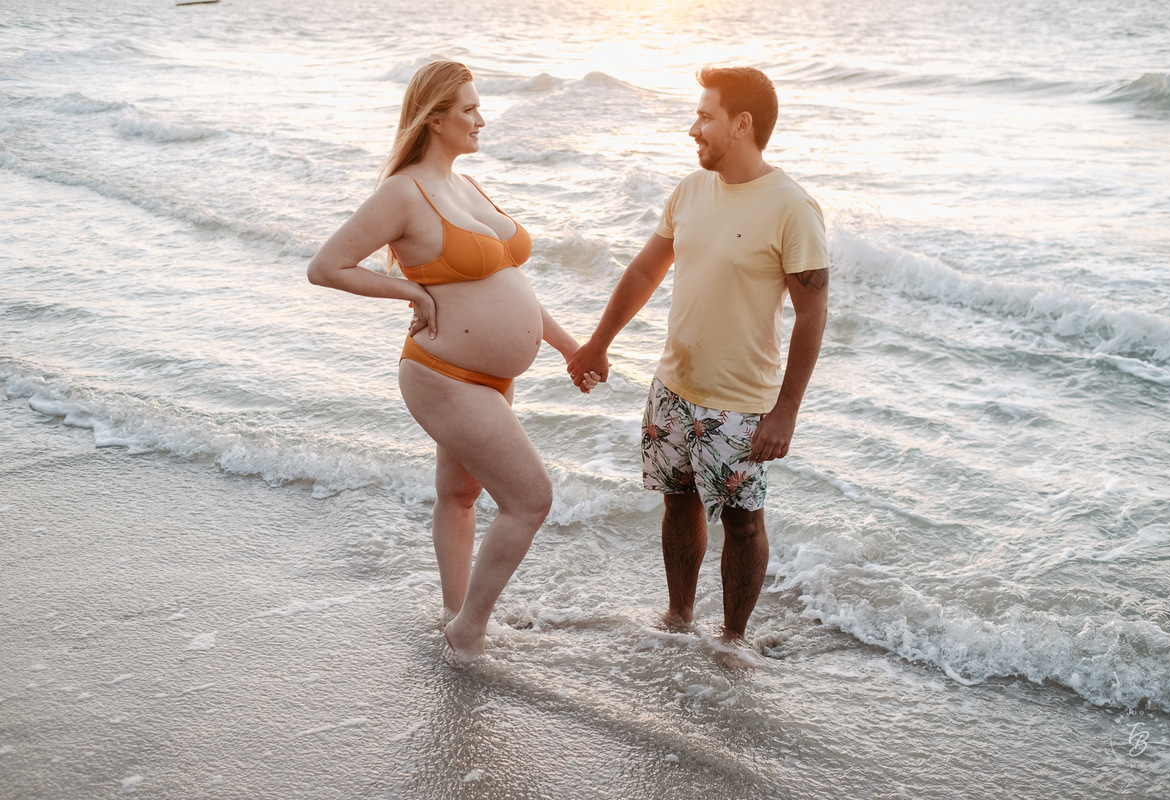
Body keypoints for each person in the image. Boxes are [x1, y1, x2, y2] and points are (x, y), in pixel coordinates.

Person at [307, 60, 597, 662]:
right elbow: (326, 266)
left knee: (460, 495)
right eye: (469, 109)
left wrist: (569, 347)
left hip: (492, 378)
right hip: (442, 376)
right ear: (435, 119)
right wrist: (410, 293)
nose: (481, 119)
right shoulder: (402, 192)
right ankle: (468, 632)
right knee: (531, 499)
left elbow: (506, 280)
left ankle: (454, 611)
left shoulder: (464, 184)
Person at [566, 66, 829, 644]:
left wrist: (786, 411)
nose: (693, 129)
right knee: (678, 505)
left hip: (741, 402)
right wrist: (598, 343)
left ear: (741, 124)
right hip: (673, 387)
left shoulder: (793, 208)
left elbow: (812, 314)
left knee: (743, 524)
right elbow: (644, 270)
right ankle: (679, 618)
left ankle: (733, 640)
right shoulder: (689, 189)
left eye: (705, 117)